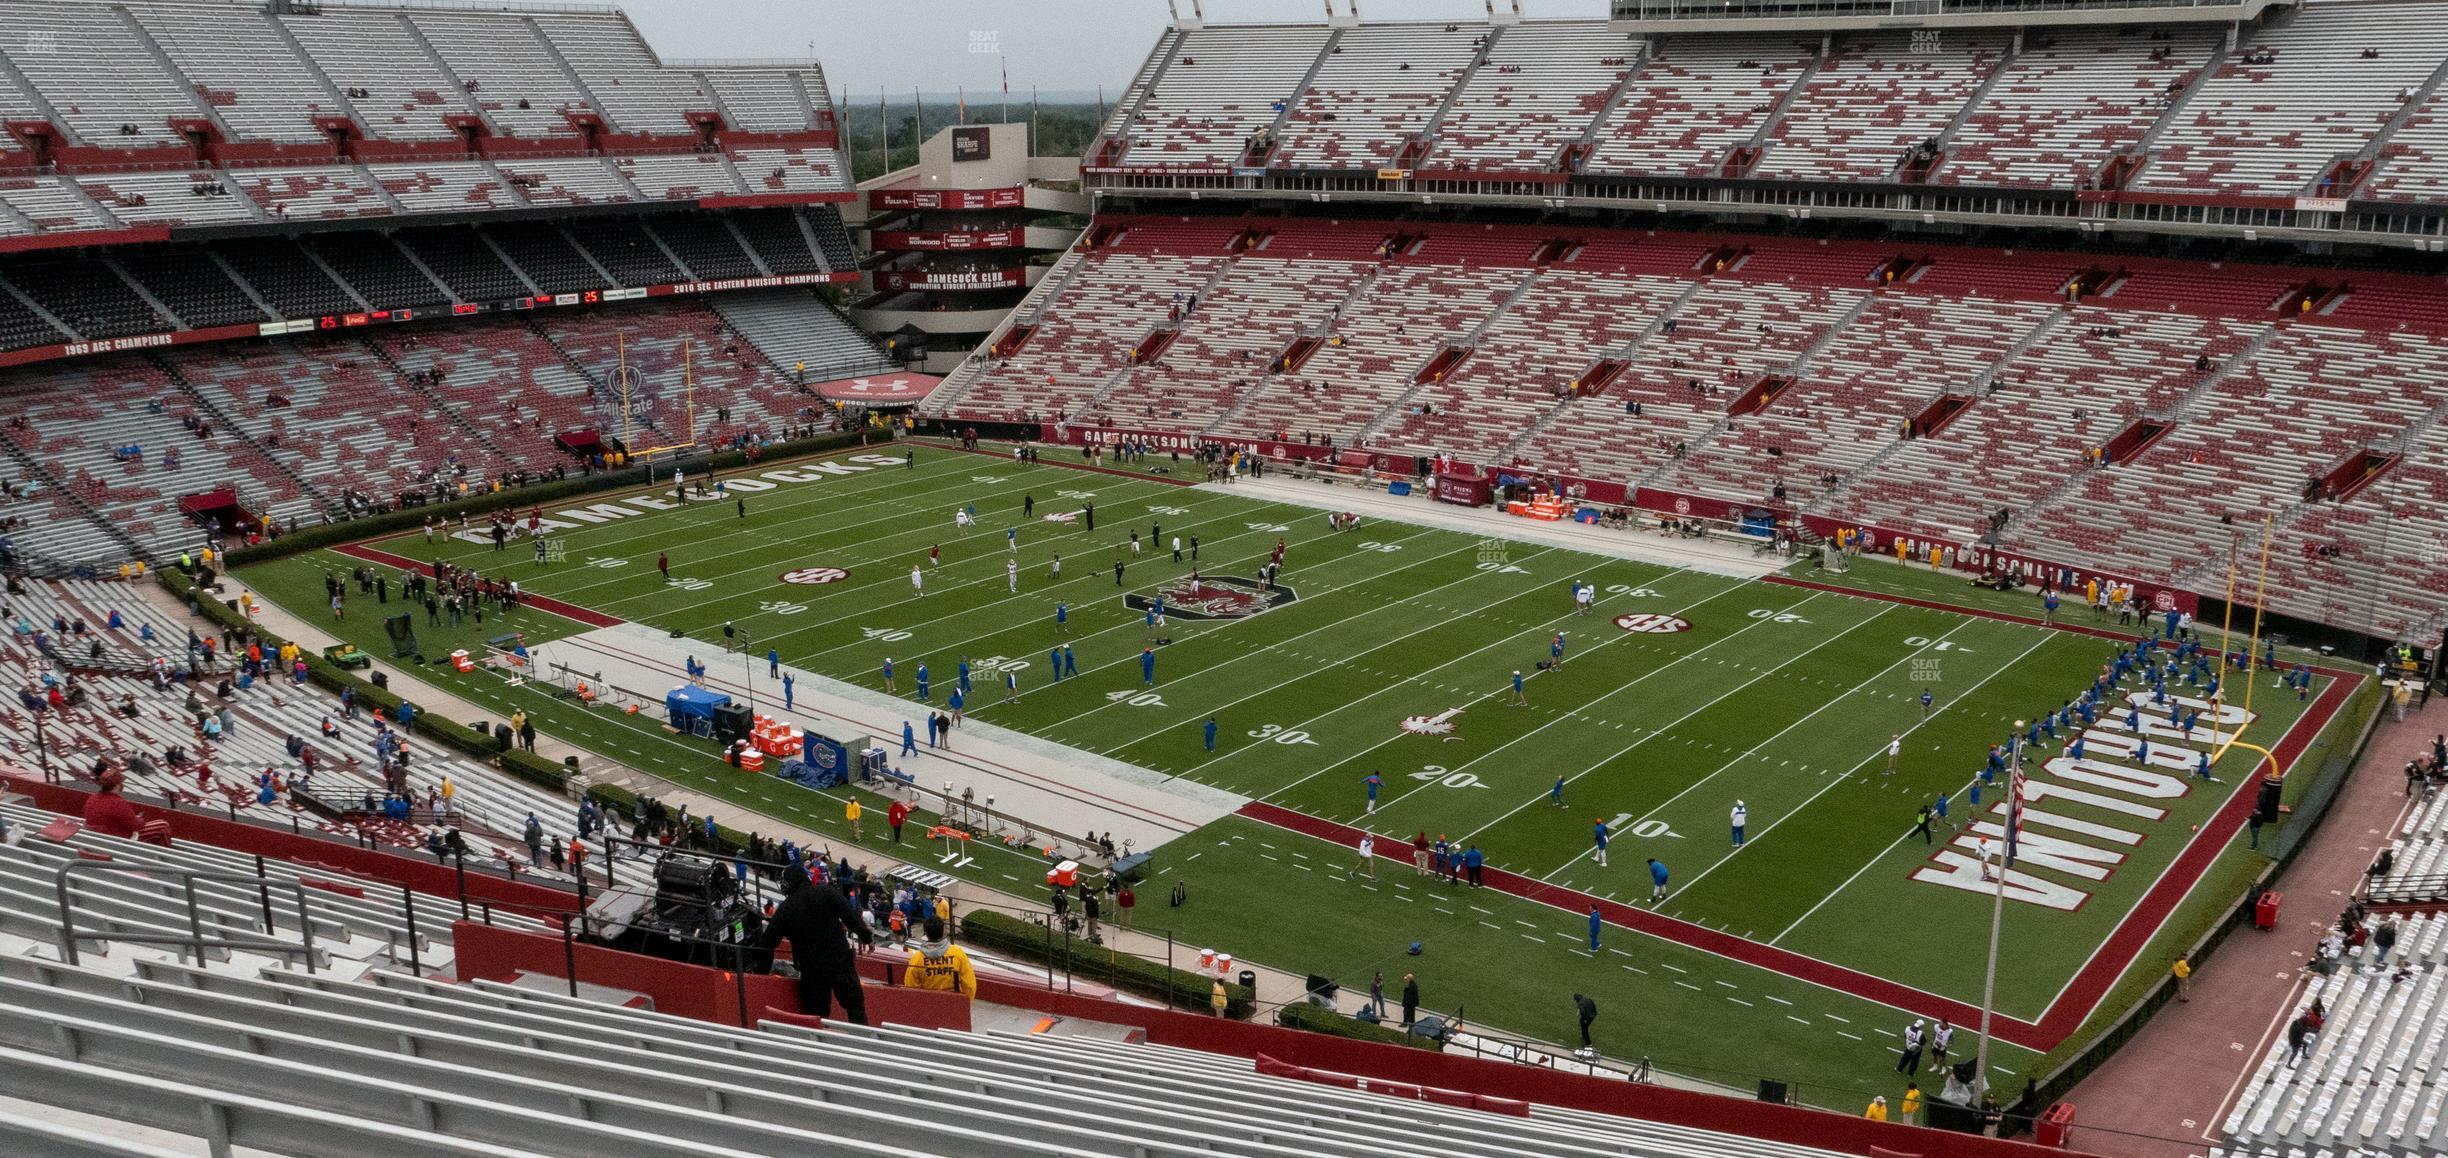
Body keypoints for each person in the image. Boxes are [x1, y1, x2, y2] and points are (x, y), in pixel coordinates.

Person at [756, 869, 875, 1024]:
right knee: (855, 1007)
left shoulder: (785, 909)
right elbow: (850, 916)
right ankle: (862, 1043)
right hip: (840, 961)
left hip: (812, 970)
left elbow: (767, 943)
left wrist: (761, 973)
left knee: (817, 1015)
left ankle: (820, 1046)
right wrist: (866, 937)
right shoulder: (826, 892)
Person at [904, 917, 976, 997]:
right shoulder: (958, 953)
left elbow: (910, 987)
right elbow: (969, 984)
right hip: (954, 1003)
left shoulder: (916, 959)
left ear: (926, 933)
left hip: (929, 1004)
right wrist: (966, 1005)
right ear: (943, 932)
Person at [82, 768, 143, 838]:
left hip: (96, 838)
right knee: (157, 827)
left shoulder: (92, 798)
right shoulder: (118, 803)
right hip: (115, 840)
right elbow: (135, 825)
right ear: (117, 786)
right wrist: (142, 820)